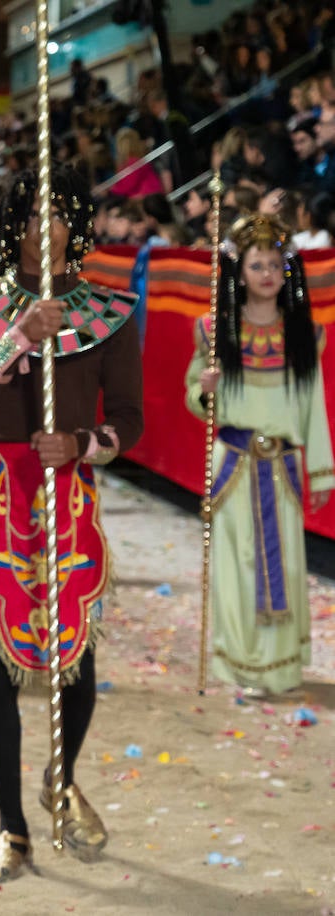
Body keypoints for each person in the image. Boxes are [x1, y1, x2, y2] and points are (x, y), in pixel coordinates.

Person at [0, 165, 143, 881]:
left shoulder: (111, 311)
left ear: (76, 228)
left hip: (69, 494)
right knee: (3, 663)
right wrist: (18, 338)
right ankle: (13, 830)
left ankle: (60, 778)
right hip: (1, 496)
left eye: (57, 215)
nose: (43, 229)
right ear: (12, 230)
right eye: (30, 217)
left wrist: (84, 444)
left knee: (78, 664)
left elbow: (130, 417)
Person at [185, 214, 334, 696]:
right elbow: (194, 397)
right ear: (239, 272)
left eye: (275, 265)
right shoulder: (214, 332)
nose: (267, 274)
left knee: (285, 566)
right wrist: (205, 389)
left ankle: (279, 667)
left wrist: (321, 474)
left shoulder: (305, 336)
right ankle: (241, 665)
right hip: (234, 464)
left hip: (283, 471)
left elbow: (313, 407)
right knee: (236, 565)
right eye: (256, 265)